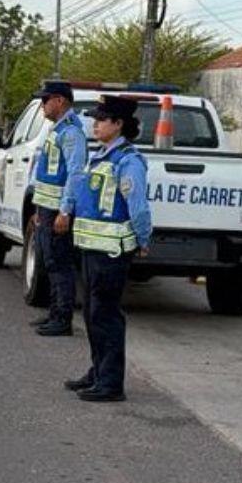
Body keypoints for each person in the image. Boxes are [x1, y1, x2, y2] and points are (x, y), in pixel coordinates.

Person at [63, 95, 152, 403]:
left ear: (118, 124)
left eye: (101, 119)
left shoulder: (128, 161)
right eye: (95, 118)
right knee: (91, 312)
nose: (95, 124)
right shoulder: (100, 156)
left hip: (111, 252)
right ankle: (98, 371)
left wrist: (143, 239)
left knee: (106, 316)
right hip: (92, 249)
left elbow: (138, 207)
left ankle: (111, 382)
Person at [28, 80, 88, 337]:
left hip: (57, 211)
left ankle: (62, 319)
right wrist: (38, 208)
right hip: (46, 207)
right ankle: (54, 312)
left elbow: (75, 174)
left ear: (60, 101)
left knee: (60, 264)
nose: (42, 105)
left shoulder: (71, 133)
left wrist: (65, 211)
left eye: (45, 100)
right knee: (50, 262)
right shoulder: (57, 130)